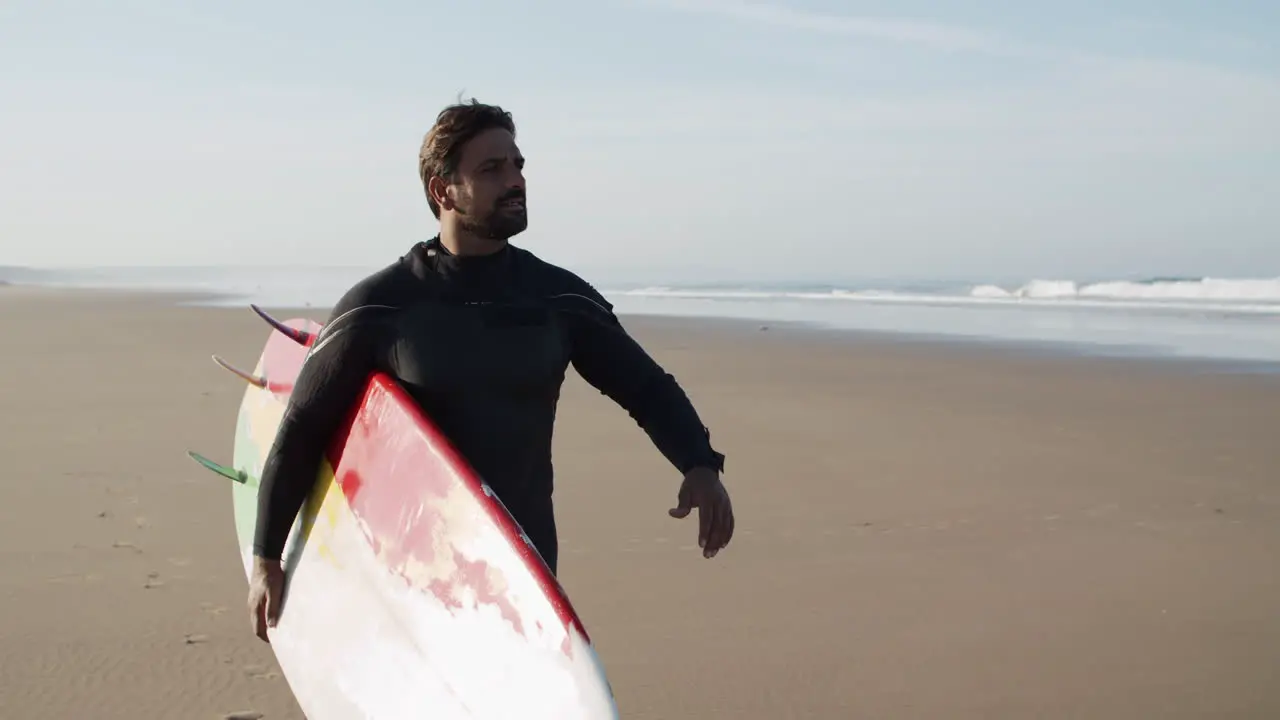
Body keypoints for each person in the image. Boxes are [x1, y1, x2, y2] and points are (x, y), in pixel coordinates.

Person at [246, 99, 735, 641]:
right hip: (411, 580)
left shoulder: (555, 297)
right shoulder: (382, 307)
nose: (515, 180)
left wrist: (699, 464)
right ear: (443, 191)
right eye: (492, 169)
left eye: (518, 165)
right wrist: (267, 556)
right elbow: (303, 427)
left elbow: (645, 387)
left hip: (522, 572)